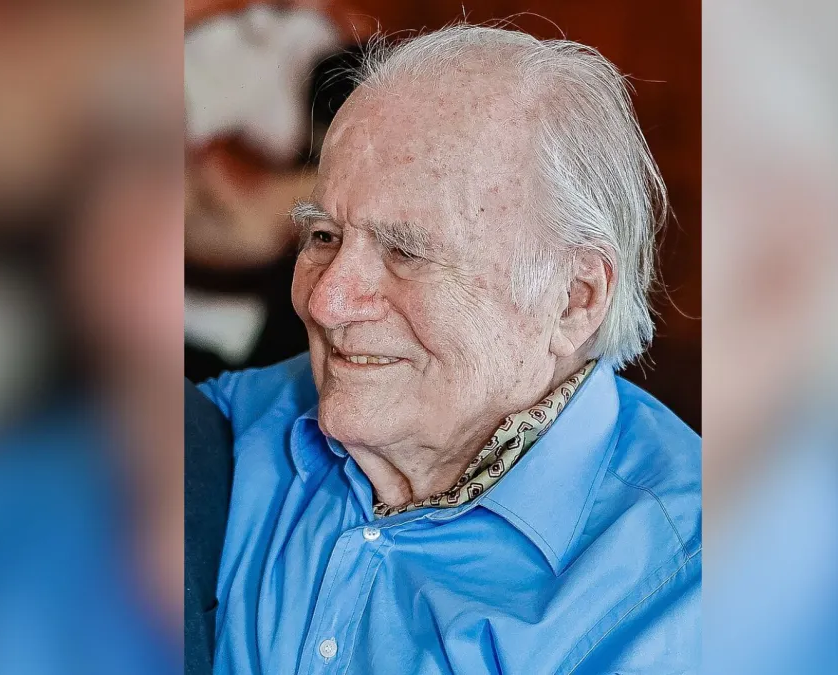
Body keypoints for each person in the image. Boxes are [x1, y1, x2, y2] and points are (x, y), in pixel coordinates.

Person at [198, 25, 700, 673]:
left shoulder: (689, 593)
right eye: (323, 236)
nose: (327, 302)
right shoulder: (237, 426)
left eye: (405, 251)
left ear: (574, 300)